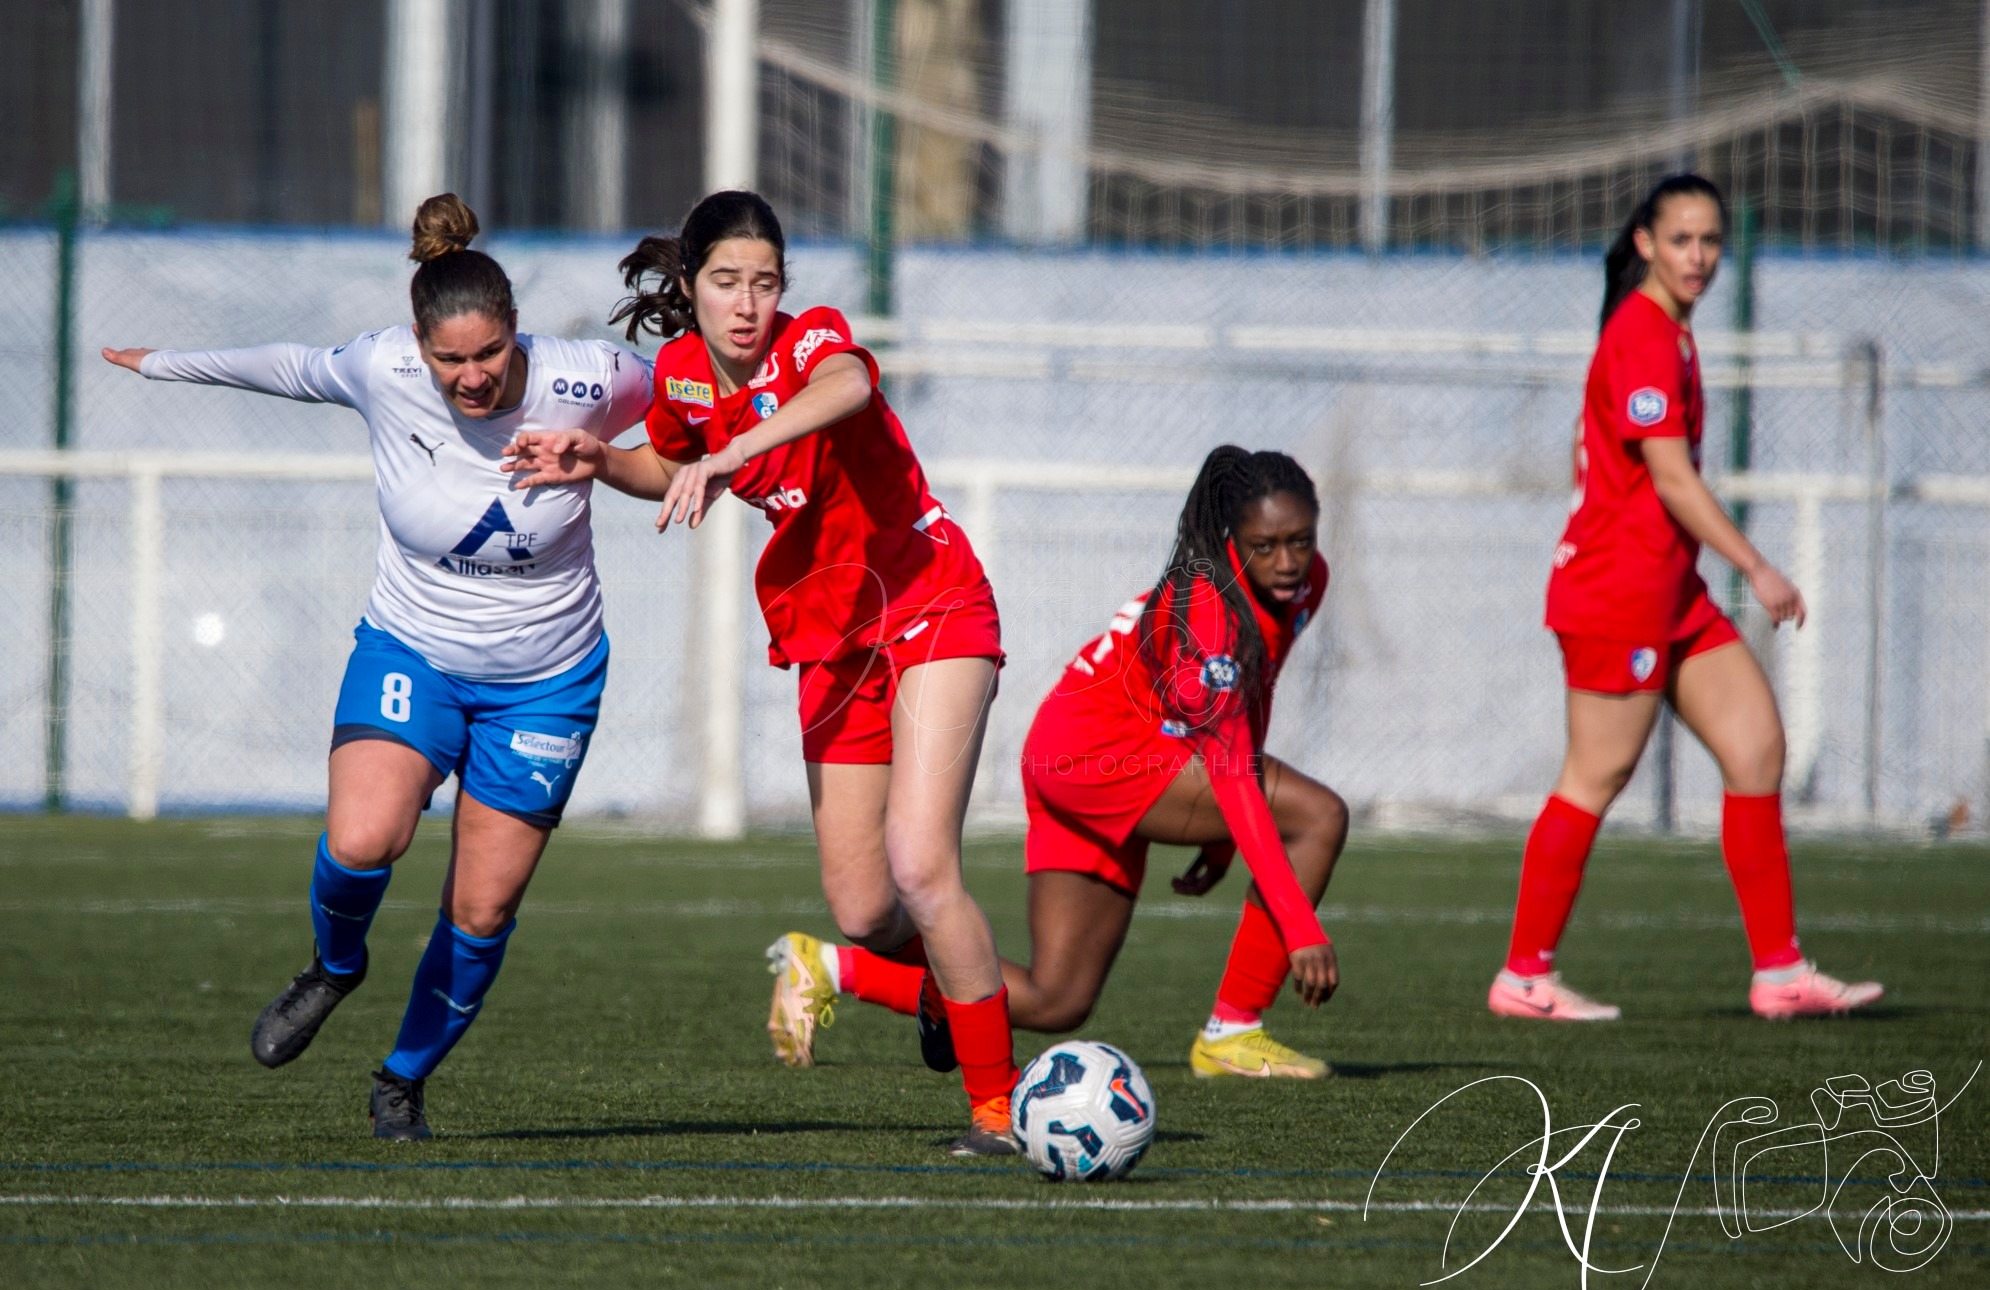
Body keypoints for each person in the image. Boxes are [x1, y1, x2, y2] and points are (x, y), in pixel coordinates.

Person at [103, 194, 655, 1137]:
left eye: (489, 354)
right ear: (418, 344)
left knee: (481, 907)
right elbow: (284, 366)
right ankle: (334, 966)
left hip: (550, 677)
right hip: (414, 649)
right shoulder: (381, 367)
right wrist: (160, 362)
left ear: (518, 332)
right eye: (452, 359)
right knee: (364, 839)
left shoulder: (594, 376)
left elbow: (691, 420)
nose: (472, 376)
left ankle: (401, 1080)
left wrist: (621, 452)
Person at [501, 190, 1021, 1155]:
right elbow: (667, 460)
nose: (747, 302)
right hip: (832, 631)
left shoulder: (810, 342)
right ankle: (947, 993)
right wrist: (598, 460)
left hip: (932, 602)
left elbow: (848, 389)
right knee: (864, 905)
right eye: (727, 282)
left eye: (765, 282)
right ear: (690, 286)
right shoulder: (683, 373)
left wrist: (735, 447)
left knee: (920, 860)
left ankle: (998, 1112)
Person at [768, 447, 1347, 1079]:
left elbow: (1249, 698)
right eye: (1267, 545)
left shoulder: (1302, 582)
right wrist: (1299, 927)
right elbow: (1234, 772)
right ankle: (1233, 1030)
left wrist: (1226, 836)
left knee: (1057, 998)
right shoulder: (1207, 610)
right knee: (1319, 816)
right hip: (1104, 759)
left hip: (1074, 754)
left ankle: (829, 967)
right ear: (1231, 536)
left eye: (1301, 541)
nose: (1288, 561)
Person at [1492, 173, 1883, 1022]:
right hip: (1618, 596)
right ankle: (1525, 974)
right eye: (1681, 240)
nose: (1699, 256)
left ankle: (1779, 973)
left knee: (1757, 751)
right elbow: (1670, 477)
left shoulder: (1669, 332)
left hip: (1671, 593)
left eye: (1710, 241)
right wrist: (1757, 566)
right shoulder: (1641, 331)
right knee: (1597, 774)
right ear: (1645, 243)